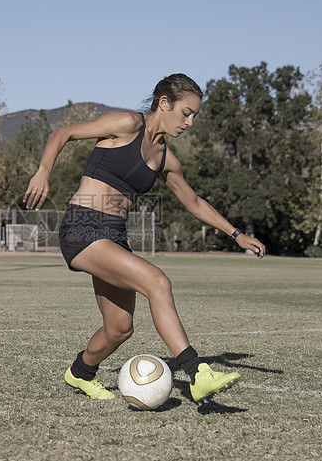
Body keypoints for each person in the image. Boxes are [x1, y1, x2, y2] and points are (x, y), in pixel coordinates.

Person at [23, 74, 266, 404]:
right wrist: (43, 172)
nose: (190, 122)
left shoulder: (166, 159)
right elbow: (63, 132)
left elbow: (193, 201)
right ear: (164, 104)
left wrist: (236, 234)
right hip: (83, 226)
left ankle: (79, 372)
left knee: (120, 328)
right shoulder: (125, 123)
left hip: (115, 236)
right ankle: (198, 373)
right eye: (186, 112)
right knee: (158, 282)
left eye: (194, 115)